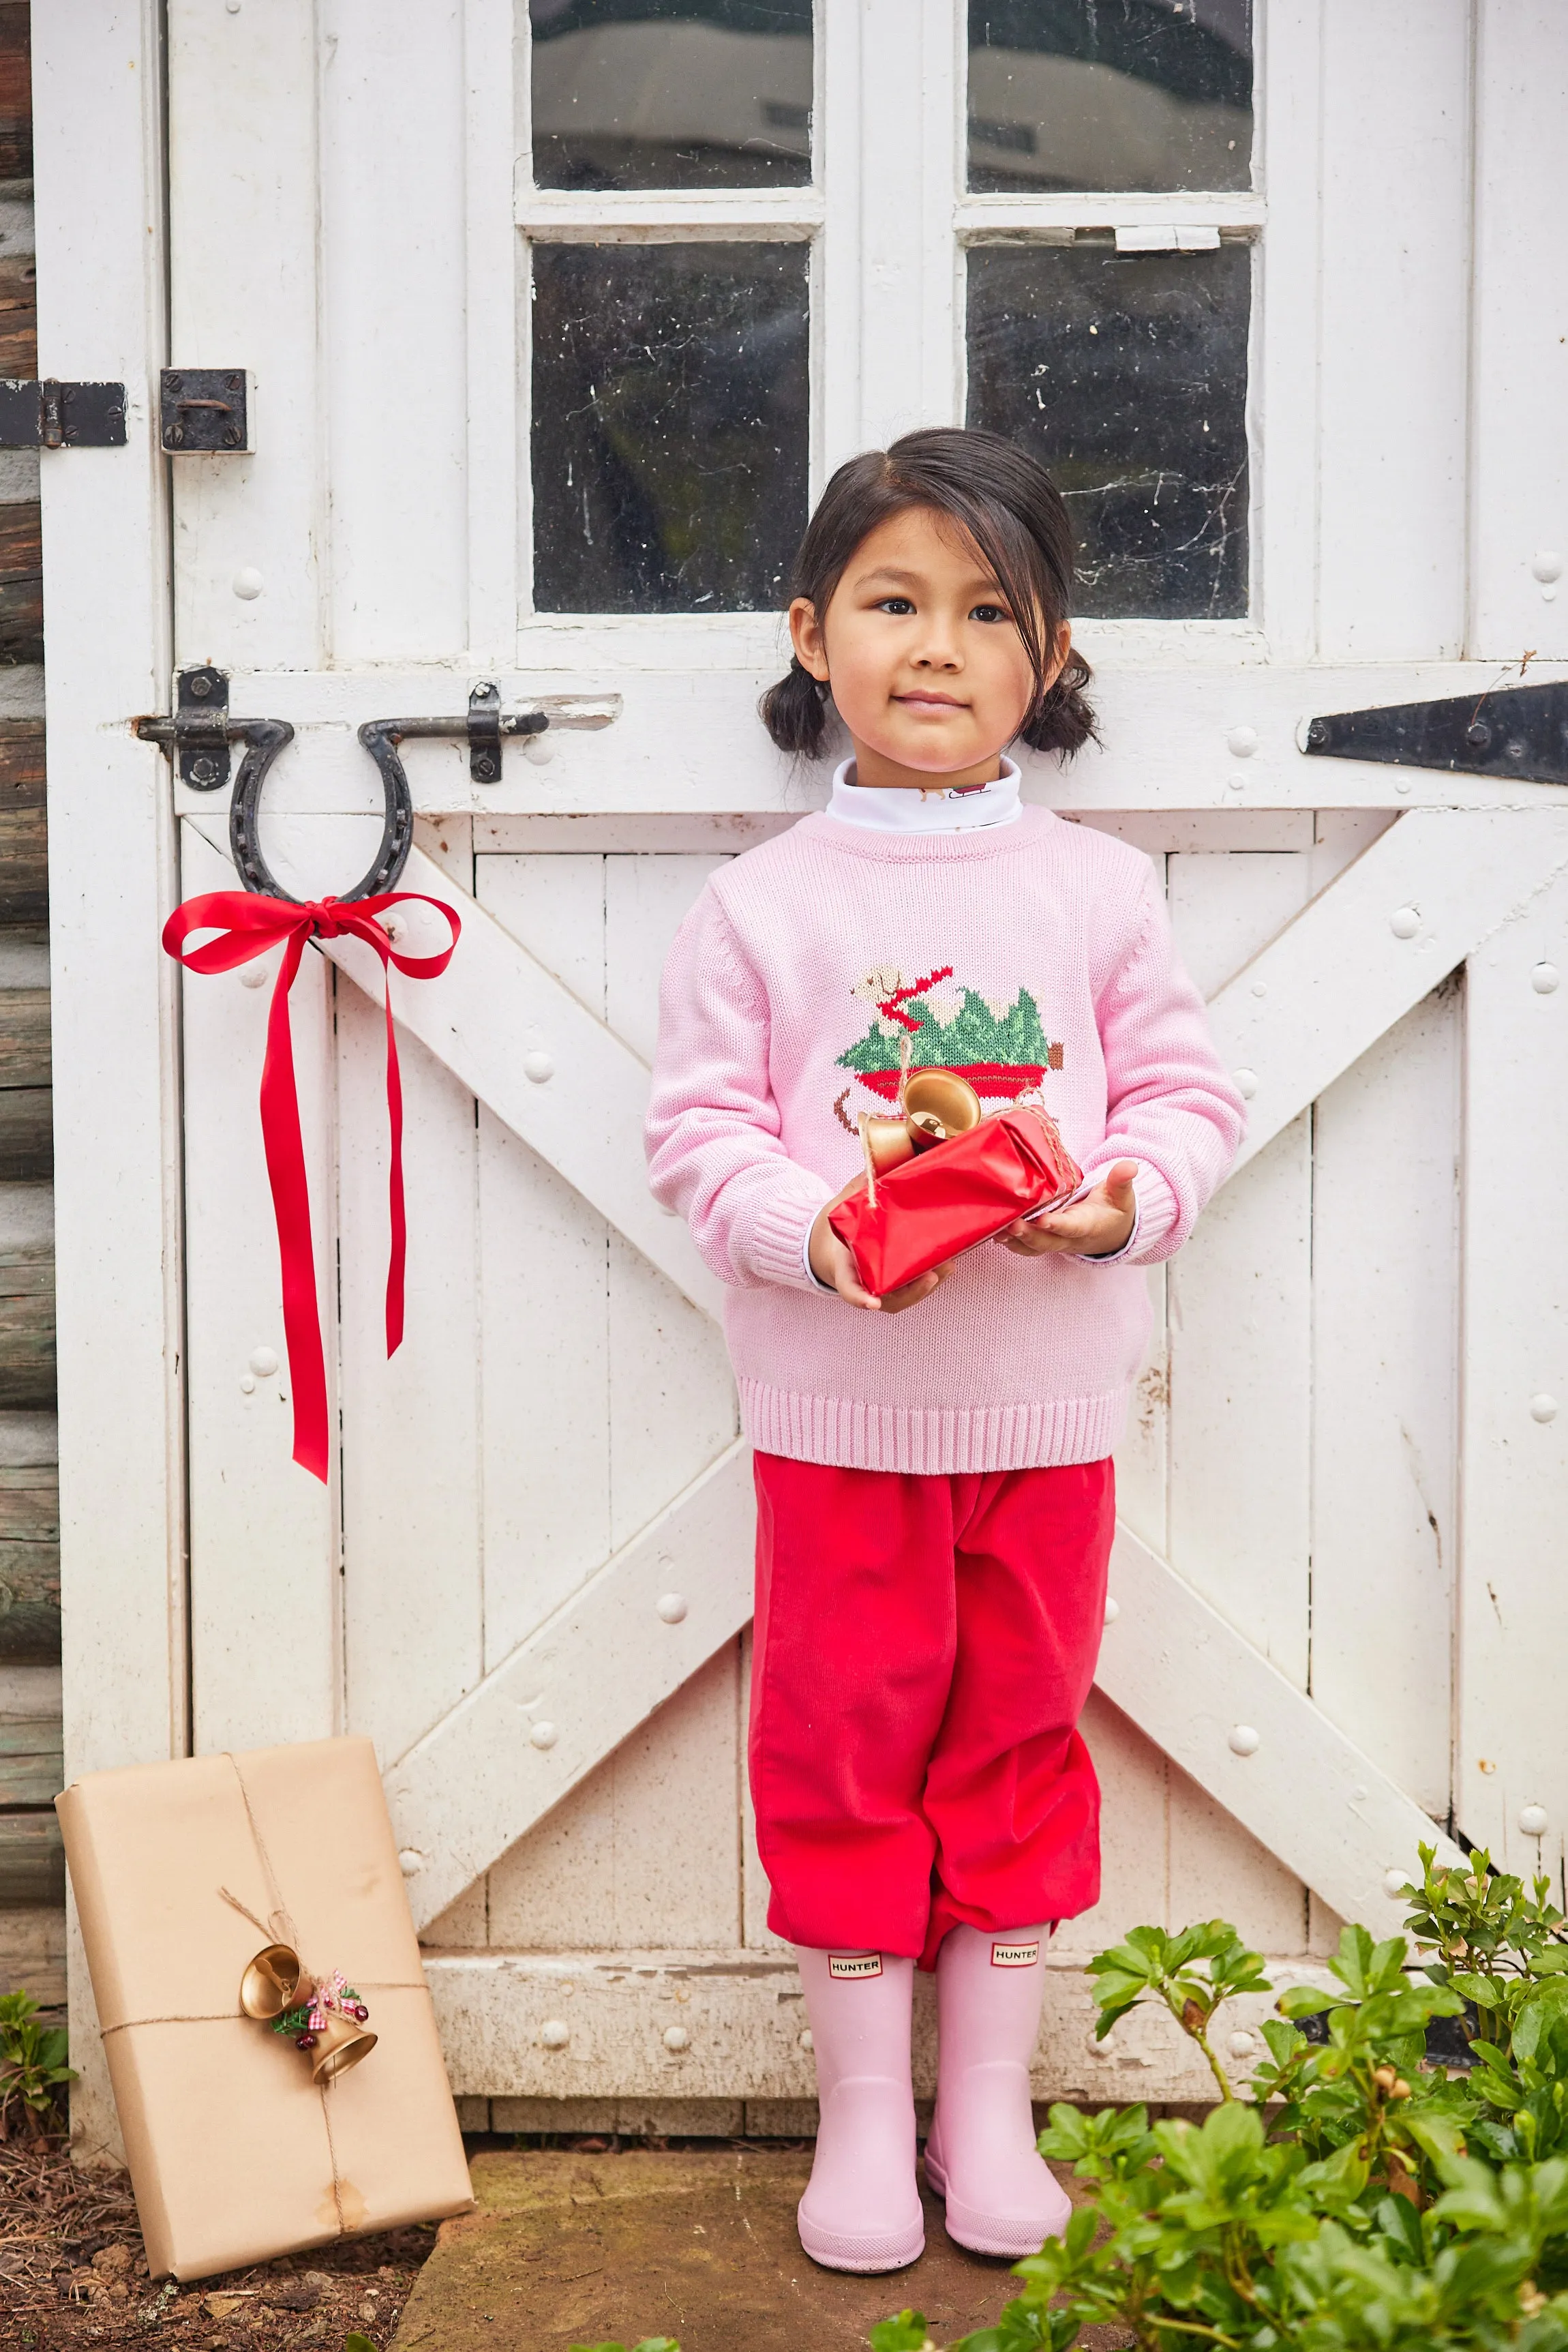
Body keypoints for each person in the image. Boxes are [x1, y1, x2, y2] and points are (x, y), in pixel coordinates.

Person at [645, 428, 1244, 2274]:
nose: (937, 644)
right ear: (811, 633)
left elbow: (1184, 1093)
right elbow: (697, 1133)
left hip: (1043, 1408)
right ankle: (855, 2117)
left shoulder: (1098, 893)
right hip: (838, 1417)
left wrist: (1119, 1196)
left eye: (988, 611)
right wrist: (825, 1226)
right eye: (894, 602)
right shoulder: (759, 905)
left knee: (1014, 1733)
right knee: (840, 1743)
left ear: (1046, 657)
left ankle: (984, 2105)